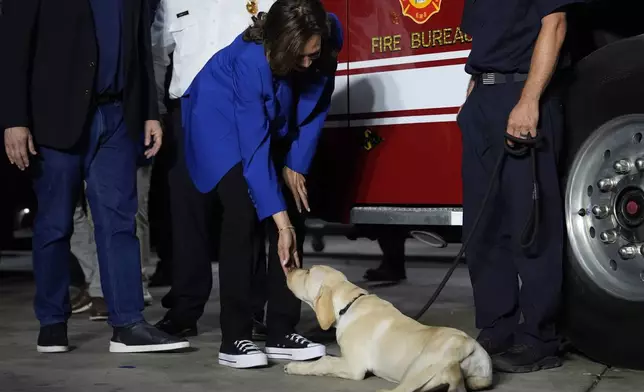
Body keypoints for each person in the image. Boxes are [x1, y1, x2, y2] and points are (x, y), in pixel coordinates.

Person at [0, 0, 189, 353]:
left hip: (117, 117)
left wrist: (150, 111)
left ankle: (128, 323)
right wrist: (14, 119)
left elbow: (140, 47)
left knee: (120, 222)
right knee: (55, 225)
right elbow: (11, 48)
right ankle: (52, 321)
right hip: (53, 119)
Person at [182, 0, 343, 368]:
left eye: (312, 54)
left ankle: (281, 330)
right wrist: (279, 223)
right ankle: (235, 336)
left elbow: (317, 105)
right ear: (278, 47)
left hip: (275, 109)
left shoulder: (329, 32)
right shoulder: (250, 61)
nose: (308, 63)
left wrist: (296, 164)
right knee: (244, 210)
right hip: (218, 117)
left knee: (295, 201)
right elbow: (254, 154)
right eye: (299, 57)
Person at [458, 0, 583, 372]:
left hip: (523, 94)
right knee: (483, 226)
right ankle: (498, 326)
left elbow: (555, 24)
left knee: (531, 225)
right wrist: (472, 98)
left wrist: (529, 100)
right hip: (484, 100)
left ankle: (540, 338)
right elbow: (485, 42)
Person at [149, 0, 276, 339]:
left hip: (242, 110)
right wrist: (159, 113)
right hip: (187, 113)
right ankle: (184, 309)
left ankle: (251, 310)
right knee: (186, 213)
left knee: (244, 213)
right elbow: (158, 55)